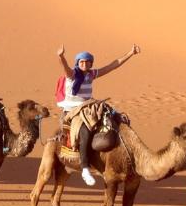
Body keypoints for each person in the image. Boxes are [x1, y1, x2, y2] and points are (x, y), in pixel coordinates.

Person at [57, 44, 141, 186]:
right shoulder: (72, 75)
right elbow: (65, 68)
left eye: (87, 62)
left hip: (88, 107)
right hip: (73, 111)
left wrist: (130, 53)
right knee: (85, 130)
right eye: (82, 62)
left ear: (91, 64)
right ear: (78, 63)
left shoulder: (91, 74)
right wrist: (61, 56)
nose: (84, 64)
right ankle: (85, 168)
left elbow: (113, 65)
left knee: (114, 118)